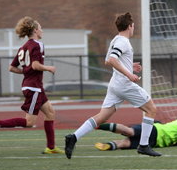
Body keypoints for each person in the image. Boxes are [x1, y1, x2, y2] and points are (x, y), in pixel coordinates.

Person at [64, 12, 160, 158]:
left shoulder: (116, 39)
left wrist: (129, 66)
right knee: (151, 109)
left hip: (115, 84)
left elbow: (108, 60)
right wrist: (129, 74)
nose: (133, 28)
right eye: (133, 26)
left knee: (102, 117)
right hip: (124, 85)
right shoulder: (123, 42)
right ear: (130, 26)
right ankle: (144, 145)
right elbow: (112, 60)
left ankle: (73, 137)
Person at [0, 17, 60, 154]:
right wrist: (48, 68)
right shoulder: (38, 45)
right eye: (40, 28)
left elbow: (11, 68)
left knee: (50, 113)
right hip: (34, 88)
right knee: (29, 123)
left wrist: (26, 71)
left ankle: (51, 147)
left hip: (33, 86)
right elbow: (35, 65)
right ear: (35, 30)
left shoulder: (23, 47)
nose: (42, 30)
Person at [93, 111, 177, 151]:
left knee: (127, 140)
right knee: (128, 135)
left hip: (155, 137)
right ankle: (100, 126)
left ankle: (107, 144)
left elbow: (172, 138)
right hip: (155, 134)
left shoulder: (176, 126)